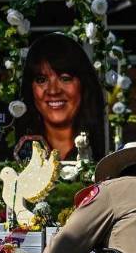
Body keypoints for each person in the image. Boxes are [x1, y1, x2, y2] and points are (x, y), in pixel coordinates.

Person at [15, 33, 106, 161]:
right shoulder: (17, 151)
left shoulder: (107, 147)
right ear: (30, 89)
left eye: (65, 78)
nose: (53, 90)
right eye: (41, 80)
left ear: (83, 84)